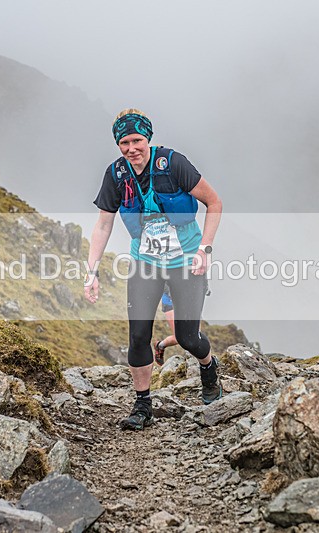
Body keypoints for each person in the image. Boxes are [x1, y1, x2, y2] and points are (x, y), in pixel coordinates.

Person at [85, 108, 223, 431]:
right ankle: (143, 404)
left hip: (186, 259)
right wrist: (91, 271)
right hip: (145, 261)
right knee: (138, 335)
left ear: (148, 138)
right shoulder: (116, 175)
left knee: (188, 337)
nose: (131, 148)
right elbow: (103, 225)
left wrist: (205, 249)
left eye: (136, 140)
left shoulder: (173, 164)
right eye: (124, 142)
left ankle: (208, 367)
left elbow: (214, 203)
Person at [153, 283, 177, 366]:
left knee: (195, 334)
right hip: (169, 302)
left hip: (185, 300)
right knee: (178, 337)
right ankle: (160, 346)